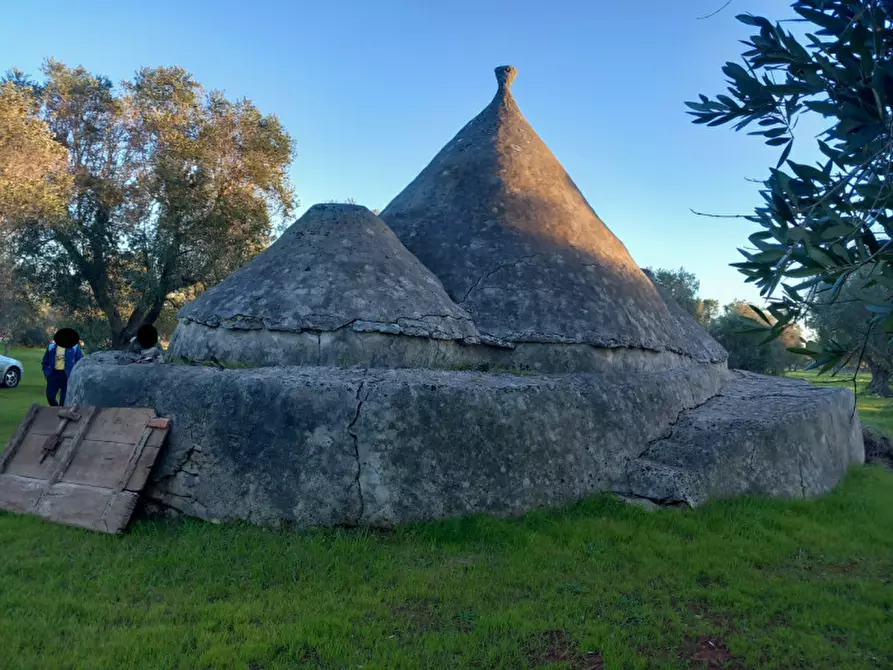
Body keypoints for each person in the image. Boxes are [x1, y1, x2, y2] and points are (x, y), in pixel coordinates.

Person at [41, 328, 84, 407]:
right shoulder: (51, 347)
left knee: (64, 400)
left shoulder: (74, 347)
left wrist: (75, 373)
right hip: (54, 374)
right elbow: (44, 362)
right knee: (50, 396)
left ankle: (60, 414)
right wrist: (47, 374)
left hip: (67, 375)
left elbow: (80, 361)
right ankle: (56, 409)